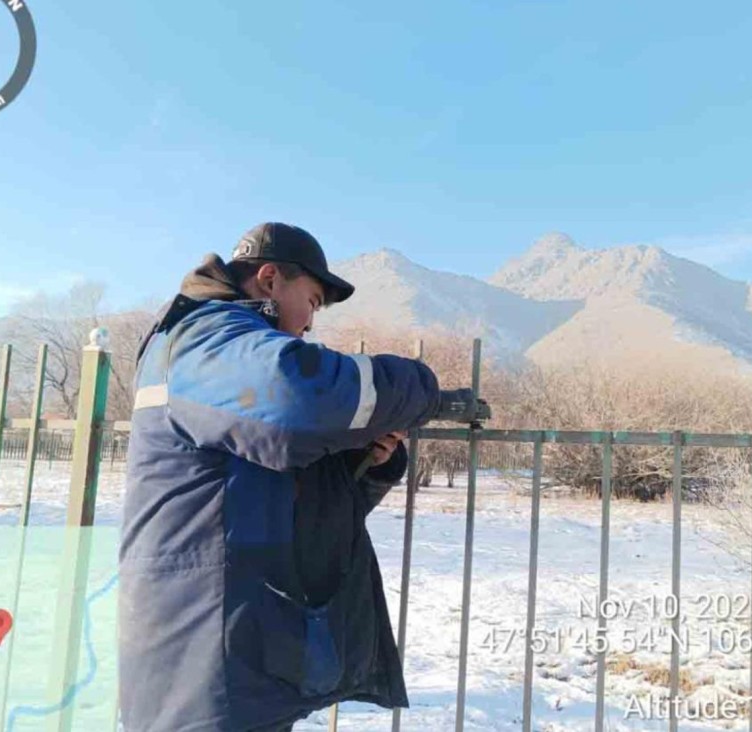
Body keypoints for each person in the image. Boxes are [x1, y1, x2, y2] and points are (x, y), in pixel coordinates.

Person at [118, 222, 483, 731]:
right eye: (311, 301)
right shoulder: (205, 339)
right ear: (270, 280)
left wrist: (363, 463)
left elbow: (270, 495)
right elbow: (297, 394)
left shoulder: (218, 353)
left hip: (236, 645)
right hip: (202, 655)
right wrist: (420, 388)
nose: (310, 323)